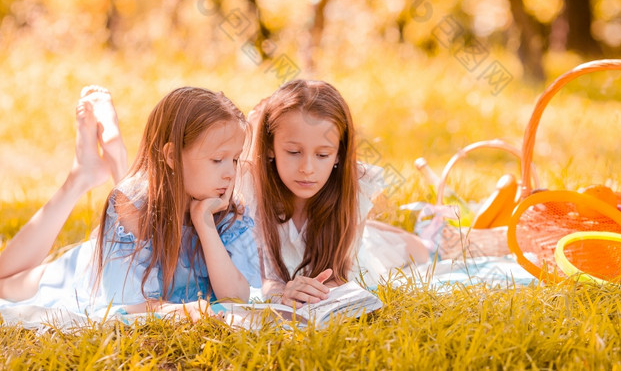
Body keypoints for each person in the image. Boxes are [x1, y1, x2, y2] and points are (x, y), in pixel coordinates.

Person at [0, 86, 260, 318]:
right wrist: (181, 311)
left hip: (133, 229)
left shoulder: (225, 209)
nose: (230, 172)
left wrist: (205, 225)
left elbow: (237, 298)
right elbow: (127, 303)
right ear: (171, 155)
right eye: (217, 160)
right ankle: (83, 174)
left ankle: (110, 157)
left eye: (235, 159)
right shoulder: (132, 207)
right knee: (2, 282)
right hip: (88, 272)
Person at [249, 79, 428, 306]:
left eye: (322, 155)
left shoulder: (353, 190)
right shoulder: (254, 192)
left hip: (358, 252)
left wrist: (315, 291)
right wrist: (282, 292)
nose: (307, 168)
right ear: (269, 148)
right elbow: (264, 279)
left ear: (338, 155)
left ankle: (431, 232)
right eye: (293, 152)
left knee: (420, 250)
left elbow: (340, 277)